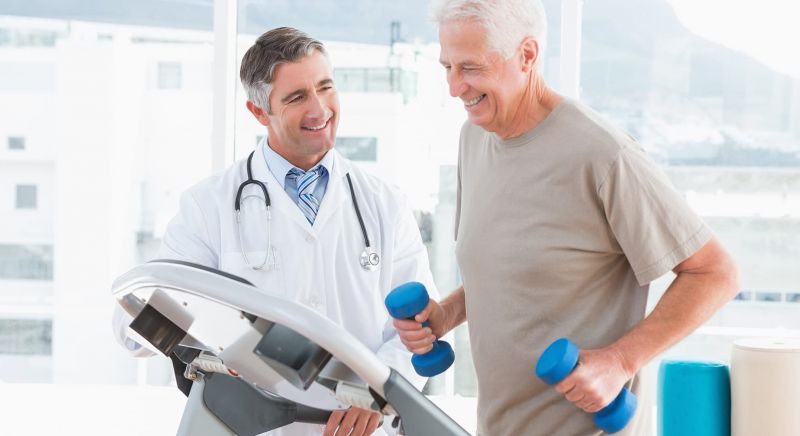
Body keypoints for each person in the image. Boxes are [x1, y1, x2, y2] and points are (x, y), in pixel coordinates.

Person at [392, 1, 740, 435]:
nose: (454, 87)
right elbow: (514, 267)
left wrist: (620, 362)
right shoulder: (476, 136)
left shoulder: (603, 154)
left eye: (471, 68)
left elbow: (715, 273)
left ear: (528, 55)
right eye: (447, 66)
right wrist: (445, 314)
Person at [114, 27, 438, 436]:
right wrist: (180, 327)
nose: (320, 109)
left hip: (362, 428)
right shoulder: (208, 205)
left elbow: (418, 327)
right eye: (297, 97)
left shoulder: (384, 203)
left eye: (325, 87)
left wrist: (377, 391)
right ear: (258, 112)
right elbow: (136, 321)